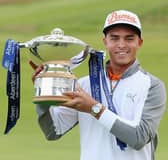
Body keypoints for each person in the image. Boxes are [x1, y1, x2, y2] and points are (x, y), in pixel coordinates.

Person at [31, 10, 166, 160]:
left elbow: (139, 137)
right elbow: (52, 131)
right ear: (105, 42)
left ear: (139, 42)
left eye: (129, 38)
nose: (121, 45)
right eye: (114, 38)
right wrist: (42, 90)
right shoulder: (84, 84)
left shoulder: (152, 86)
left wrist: (94, 108)